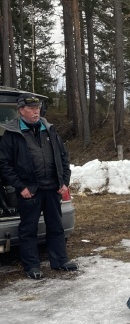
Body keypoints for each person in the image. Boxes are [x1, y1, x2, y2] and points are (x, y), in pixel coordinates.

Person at [0, 93, 78, 279]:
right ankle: (32, 266)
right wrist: (20, 187)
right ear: (20, 111)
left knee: (56, 226)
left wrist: (64, 182)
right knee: (28, 229)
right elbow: (4, 165)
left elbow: (63, 157)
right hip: (29, 191)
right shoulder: (12, 134)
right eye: (31, 109)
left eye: (38, 108)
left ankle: (60, 261)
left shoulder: (49, 129)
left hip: (52, 188)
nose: (36, 111)